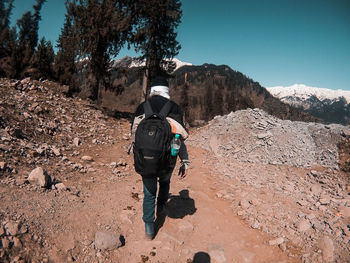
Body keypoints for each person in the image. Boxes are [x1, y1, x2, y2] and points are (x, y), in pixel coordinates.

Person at [131, 76, 190, 240]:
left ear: (152, 90)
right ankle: (162, 206)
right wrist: (184, 161)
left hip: (145, 159)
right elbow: (179, 138)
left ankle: (149, 228)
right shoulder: (174, 108)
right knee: (164, 182)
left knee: (149, 192)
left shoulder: (142, 107)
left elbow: (134, 135)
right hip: (167, 160)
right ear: (167, 91)